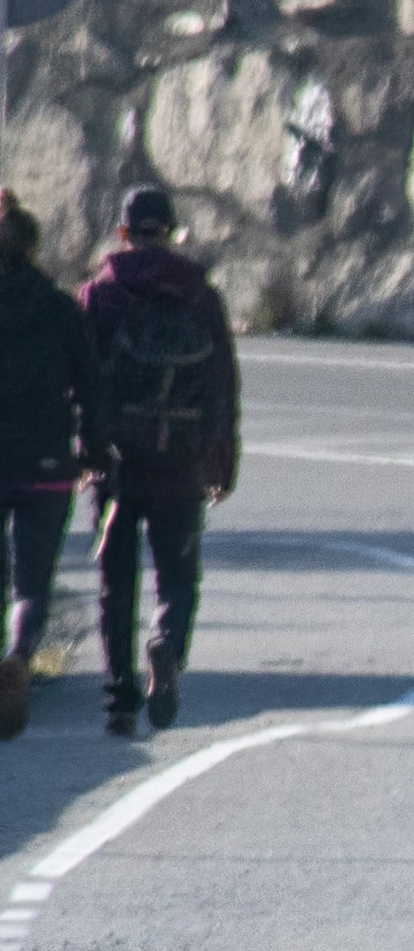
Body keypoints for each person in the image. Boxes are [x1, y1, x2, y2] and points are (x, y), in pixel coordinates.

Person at [80, 187, 238, 736]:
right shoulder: (199, 294)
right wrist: (222, 457)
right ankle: (166, 644)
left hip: (119, 463)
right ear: (172, 232)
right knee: (177, 574)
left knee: (115, 580)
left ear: (123, 233)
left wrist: (86, 451)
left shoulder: (100, 296)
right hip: (181, 459)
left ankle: (120, 699)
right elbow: (223, 380)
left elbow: (80, 379)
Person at [0, 190, 103, 741]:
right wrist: (94, 450)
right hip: (46, 462)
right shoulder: (63, 309)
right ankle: (19, 655)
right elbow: (90, 387)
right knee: (32, 578)